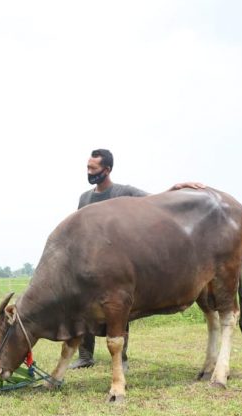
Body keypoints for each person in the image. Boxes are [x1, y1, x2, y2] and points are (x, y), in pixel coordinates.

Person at [69, 148, 205, 370]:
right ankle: (85, 356)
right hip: (90, 265)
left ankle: (121, 359)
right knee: (85, 309)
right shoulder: (85, 198)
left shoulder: (124, 191)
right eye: (88, 167)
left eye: (93, 168)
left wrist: (175, 189)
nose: (89, 171)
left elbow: (155, 201)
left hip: (117, 265)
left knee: (119, 309)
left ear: (107, 170)